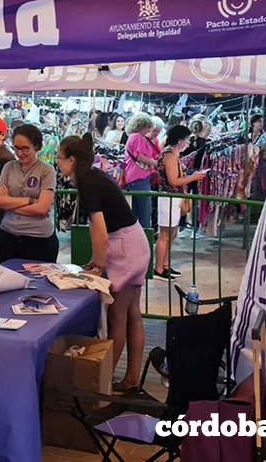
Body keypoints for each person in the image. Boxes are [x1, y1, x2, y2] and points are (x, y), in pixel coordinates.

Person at [56, 134, 149, 393]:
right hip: (133, 243)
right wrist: (96, 261)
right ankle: (129, 378)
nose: (57, 162)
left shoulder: (88, 183)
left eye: (60, 158)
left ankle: (104, 380)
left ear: (72, 160)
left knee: (119, 316)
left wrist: (97, 264)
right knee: (132, 314)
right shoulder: (93, 176)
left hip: (126, 249)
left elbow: (100, 231)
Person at [0, 124, 58, 263]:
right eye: (16, 148)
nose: (20, 153)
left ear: (36, 147)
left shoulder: (47, 171)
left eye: (25, 149)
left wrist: (9, 203)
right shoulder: (9, 167)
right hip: (8, 237)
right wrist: (30, 200)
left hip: (39, 240)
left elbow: (42, 208)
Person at [153, 126, 208, 280]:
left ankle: (164, 265)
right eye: (187, 140)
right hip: (168, 198)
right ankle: (159, 268)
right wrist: (194, 177)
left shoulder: (172, 153)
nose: (189, 143)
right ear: (179, 140)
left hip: (172, 198)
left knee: (172, 233)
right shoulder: (169, 155)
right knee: (165, 235)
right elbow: (174, 180)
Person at [123, 113, 159, 229]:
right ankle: (145, 239)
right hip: (140, 177)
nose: (149, 130)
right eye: (148, 126)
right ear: (142, 126)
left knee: (137, 212)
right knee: (145, 212)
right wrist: (156, 163)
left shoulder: (132, 137)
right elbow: (140, 157)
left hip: (134, 178)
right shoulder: (138, 137)